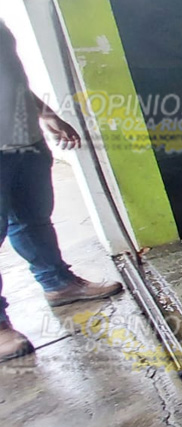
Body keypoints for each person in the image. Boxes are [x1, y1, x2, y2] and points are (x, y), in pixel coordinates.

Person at [0, 20, 123, 361]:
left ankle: (57, 283)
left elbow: (10, 76)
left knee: (32, 219)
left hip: (25, 140)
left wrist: (46, 113)